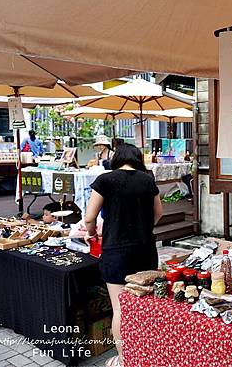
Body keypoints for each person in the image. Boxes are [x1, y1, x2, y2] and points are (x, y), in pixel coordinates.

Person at [84, 143, 163, 367]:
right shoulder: (147, 180)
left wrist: (91, 234)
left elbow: (90, 218)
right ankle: (146, 352)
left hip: (116, 252)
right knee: (143, 304)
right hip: (145, 250)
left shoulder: (105, 180)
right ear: (138, 158)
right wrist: (143, 228)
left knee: (119, 308)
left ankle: (124, 359)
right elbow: (158, 213)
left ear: (117, 158)